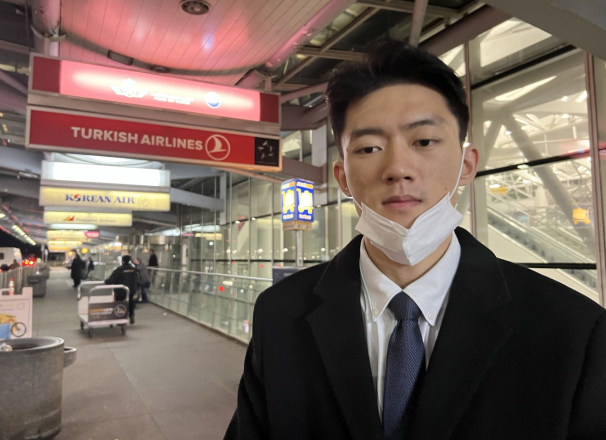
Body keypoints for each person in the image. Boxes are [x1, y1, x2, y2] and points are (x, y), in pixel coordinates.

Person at [225, 40, 606, 440]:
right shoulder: (280, 316)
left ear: (467, 165)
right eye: (369, 147)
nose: (398, 168)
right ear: (343, 178)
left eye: (423, 141)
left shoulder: (571, 330)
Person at [105, 255, 139, 324]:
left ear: (122, 261)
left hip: (121, 291)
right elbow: (138, 279)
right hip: (132, 290)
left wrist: (106, 282)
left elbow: (112, 279)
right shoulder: (134, 269)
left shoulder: (119, 269)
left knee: (120, 304)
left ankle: (121, 318)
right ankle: (131, 315)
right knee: (131, 303)